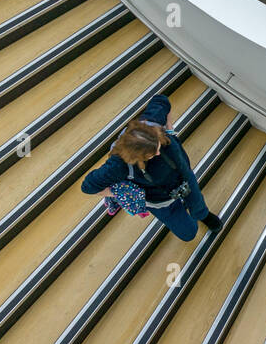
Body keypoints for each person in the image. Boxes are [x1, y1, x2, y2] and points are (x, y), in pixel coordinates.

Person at [81, 94, 222, 242]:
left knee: (197, 203)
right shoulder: (119, 165)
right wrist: (120, 192)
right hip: (160, 202)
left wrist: (169, 128)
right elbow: (88, 186)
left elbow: (161, 100)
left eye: (158, 146)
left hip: (184, 178)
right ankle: (187, 213)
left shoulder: (152, 122)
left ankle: (203, 215)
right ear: (135, 157)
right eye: (151, 154)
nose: (158, 152)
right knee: (189, 234)